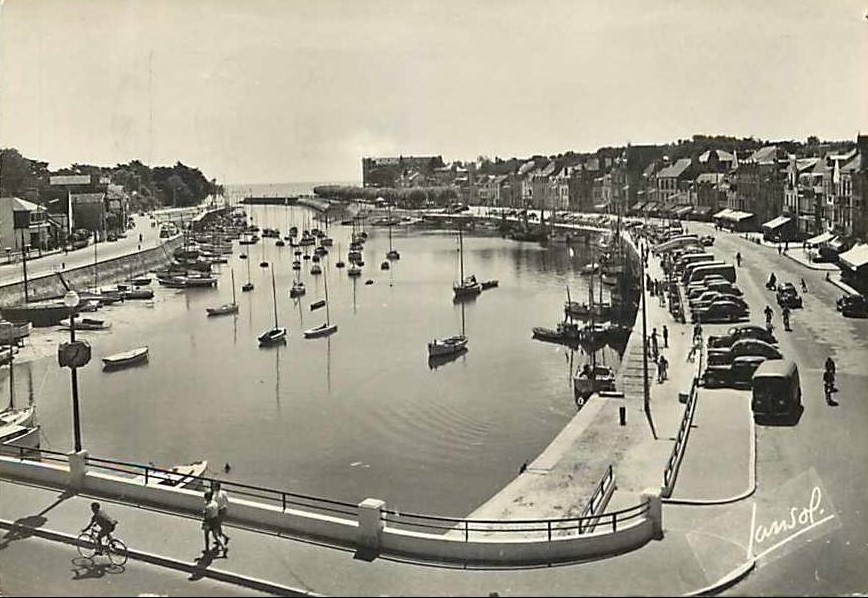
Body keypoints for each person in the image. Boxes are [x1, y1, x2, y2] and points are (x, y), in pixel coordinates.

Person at [202, 491, 226, 556]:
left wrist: (204, 516)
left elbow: (207, 515)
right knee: (216, 536)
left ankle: (207, 549)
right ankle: (223, 547)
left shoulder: (208, 506)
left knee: (206, 535)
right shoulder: (215, 503)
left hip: (209, 521)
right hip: (215, 519)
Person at [213, 482, 231, 547]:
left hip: (219, 511)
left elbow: (216, 505)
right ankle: (223, 537)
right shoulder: (224, 493)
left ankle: (223, 537)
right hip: (224, 509)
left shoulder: (215, 496)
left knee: (217, 525)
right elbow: (227, 500)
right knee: (218, 525)